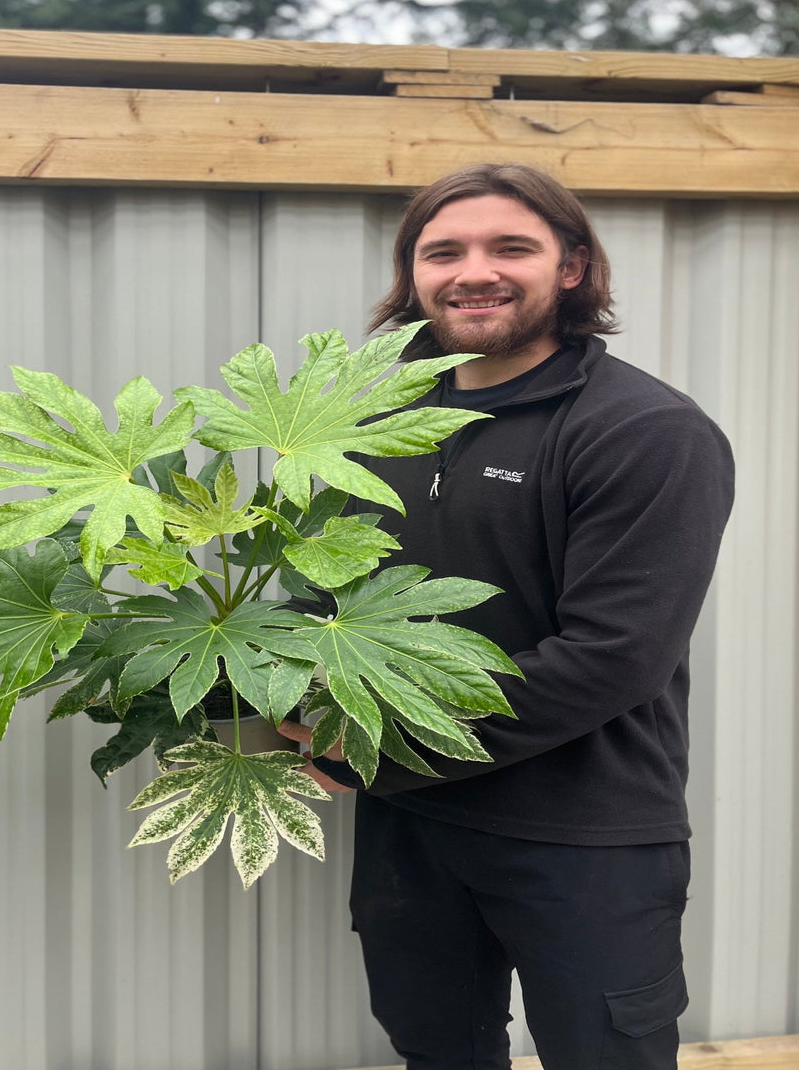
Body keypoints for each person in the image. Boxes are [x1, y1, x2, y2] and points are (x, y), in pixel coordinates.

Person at [277, 163, 734, 1070]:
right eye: (442, 252)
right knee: (435, 1050)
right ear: (413, 276)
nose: (472, 271)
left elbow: (611, 658)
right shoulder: (378, 421)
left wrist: (370, 746)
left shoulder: (643, 429)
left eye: (510, 247)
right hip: (413, 828)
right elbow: (320, 601)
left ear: (571, 267)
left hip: (583, 834)